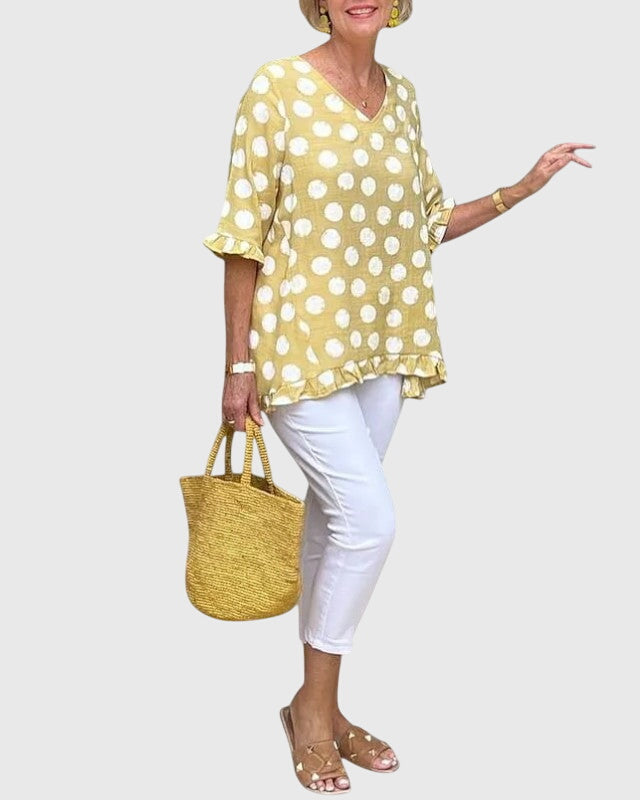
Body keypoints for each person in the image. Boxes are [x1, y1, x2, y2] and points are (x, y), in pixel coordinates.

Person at [202, 1, 594, 792]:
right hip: (299, 345)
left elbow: (423, 223)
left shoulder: (404, 96)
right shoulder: (275, 87)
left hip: (380, 345)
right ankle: (315, 716)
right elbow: (244, 233)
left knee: (336, 522)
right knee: (371, 522)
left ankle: (318, 706)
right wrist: (237, 363)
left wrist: (523, 188)